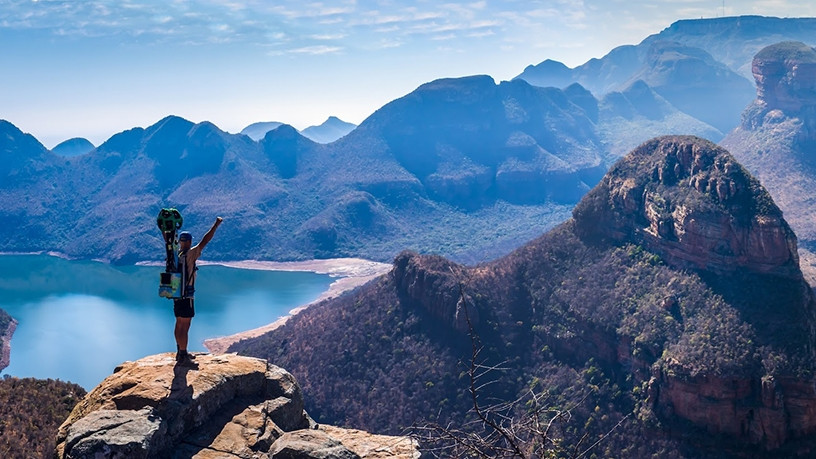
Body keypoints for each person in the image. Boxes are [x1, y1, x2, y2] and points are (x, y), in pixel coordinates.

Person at [174, 216, 223, 365]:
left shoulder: (177, 255)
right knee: (185, 325)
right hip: (187, 296)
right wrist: (216, 224)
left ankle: (180, 351)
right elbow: (205, 241)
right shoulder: (190, 254)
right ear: (188, 242)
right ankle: (183, 356)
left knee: (178, 324)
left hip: (176, 295)